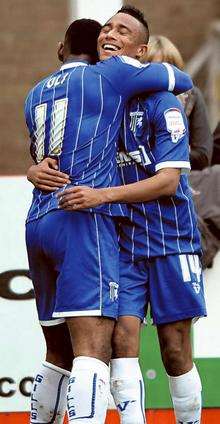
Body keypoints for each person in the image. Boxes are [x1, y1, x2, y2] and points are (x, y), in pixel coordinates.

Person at [25, 9, 193, 424]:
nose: (112, 35)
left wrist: (33, 170)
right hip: (85, 219)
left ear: (60, 50)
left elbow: (42, 156)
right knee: (96, 346)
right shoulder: (109, 78)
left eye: (122, 30)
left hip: (42, 217)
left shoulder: (35, 92)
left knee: (59, 350)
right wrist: (132, 65)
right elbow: (183, 78)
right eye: (107, 29)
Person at [146, 34, 213, 170]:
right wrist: (181, 150)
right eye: (155, 70)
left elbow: (203, 156)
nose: (165, 76)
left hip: (182, 179)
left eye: (171, 69)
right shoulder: (132, 101)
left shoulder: (190, 96)